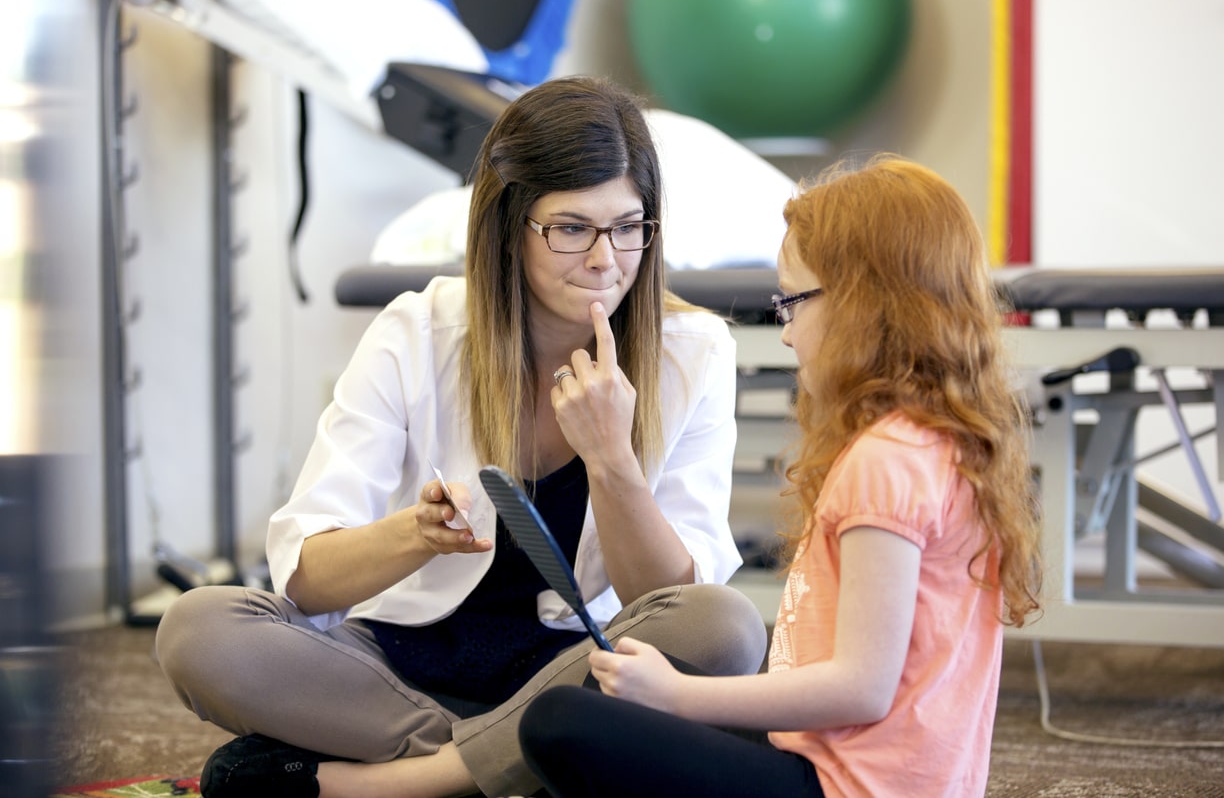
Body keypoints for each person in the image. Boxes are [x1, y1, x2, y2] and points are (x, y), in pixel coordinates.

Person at [154, 75, 767, 798]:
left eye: (629, 227)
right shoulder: (417, 331)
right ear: (510, 226)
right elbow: (308, 577)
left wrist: (613, 460)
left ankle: (411, 783)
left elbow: (666, 603)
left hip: (580, 671)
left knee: (725, 628)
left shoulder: (692, 351)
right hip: (398, 669)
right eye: (572, 229)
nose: (607, 260)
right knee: (198, 628)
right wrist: (415, 534)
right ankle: (523, 764)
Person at [518, 155, 1043, 797]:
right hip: (845, 763)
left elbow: (860, 687)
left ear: (863, 303)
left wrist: (682, 696)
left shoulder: (886, 461)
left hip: (843, 786)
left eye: (791, 302)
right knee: (617, 684)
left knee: (559, 720)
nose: (787, 333)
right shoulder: (941, 444)